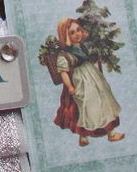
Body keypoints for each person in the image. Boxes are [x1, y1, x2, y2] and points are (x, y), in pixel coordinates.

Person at [53, 17, 125, 147]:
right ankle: (83, 136)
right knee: (85, 107)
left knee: (103, 101)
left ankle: (111, 133)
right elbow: (63, 72)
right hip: (80, 81)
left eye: (78, 30)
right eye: (72, 32)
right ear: (66, 36)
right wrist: (70, 86)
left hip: (92, 77)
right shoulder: (64, 54)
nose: (77, 34)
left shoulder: (81, 46)